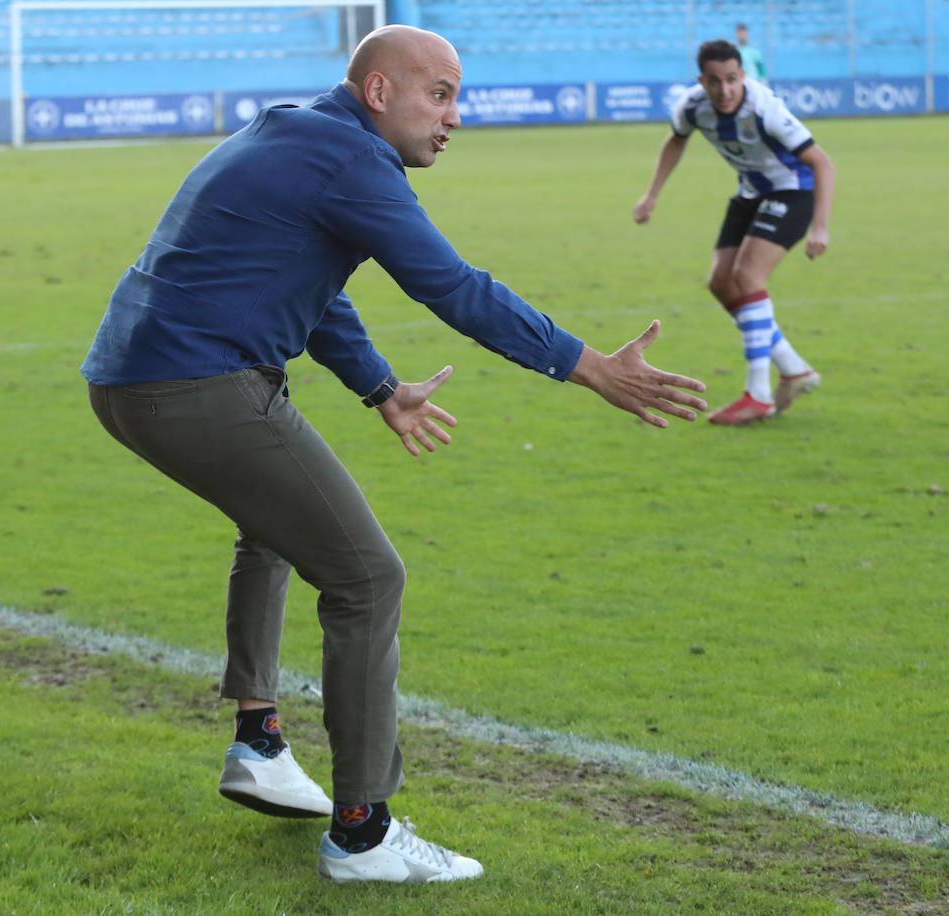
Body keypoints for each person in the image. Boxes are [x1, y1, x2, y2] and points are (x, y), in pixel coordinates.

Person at [81, 25, 707, 884]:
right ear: (379, 93)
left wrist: (379, 388)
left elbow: (314, 283)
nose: (455, 116)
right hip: (196, 384)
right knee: (368, 578)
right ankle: (363, 832)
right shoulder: (350, 160)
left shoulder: (302, 130)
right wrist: (589, 366)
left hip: (133, 378)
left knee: (276, 528)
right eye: (439, 93)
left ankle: (259, 745)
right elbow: (451, 286)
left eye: (459, 95)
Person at [632, 39, 834, 425]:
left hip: (793, 190)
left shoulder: (765, 108)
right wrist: (651, 195)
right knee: (721, 283)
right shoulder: (692, 107)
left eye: (731, 79)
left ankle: (758, 393)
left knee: (747, 276)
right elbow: (675, 140)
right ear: (701, 81)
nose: (724, 90)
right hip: (751, 193)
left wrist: (820, 227)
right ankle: (793, 368)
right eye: (714, 81)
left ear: (743, 75)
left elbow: (822, 163)